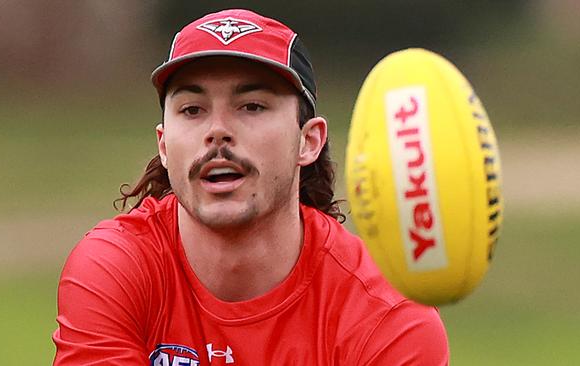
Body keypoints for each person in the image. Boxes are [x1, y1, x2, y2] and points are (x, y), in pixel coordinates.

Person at [52, 8, 449, 365]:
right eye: (193, 110)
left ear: (309, 141)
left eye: (252, 106)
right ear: (164, 145)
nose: (218, 131)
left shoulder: (386, 315)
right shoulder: (114, 269)